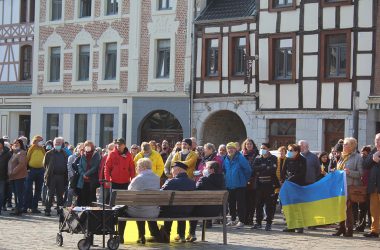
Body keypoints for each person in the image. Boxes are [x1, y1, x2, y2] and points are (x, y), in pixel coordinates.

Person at [104, 138, 135, 243]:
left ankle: (121, 234)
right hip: (115, 183)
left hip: (125, 183)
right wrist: (107, 179)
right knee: (114, 208)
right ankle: (112, 232)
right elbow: (107, 168)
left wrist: (132, 179)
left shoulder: (129, 155)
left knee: (122, 208)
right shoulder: (112, 154)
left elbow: (132, 168)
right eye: (117, 144)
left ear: (124, 145)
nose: (118, 146)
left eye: (120, 144)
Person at [332, 137, 363, 237]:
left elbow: (360, 173)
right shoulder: (341, 156)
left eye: (346, 144)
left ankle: (349, 230)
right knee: (340, 208)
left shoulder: (357, 157)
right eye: (344, 144)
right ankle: (341, 228)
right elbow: (339, 169)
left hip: (350, 186)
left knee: (348, 208)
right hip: (340, 186)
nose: (343, 146)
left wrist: (350, 172)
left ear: (352, 146)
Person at [126, 158, 161, 244]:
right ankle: (147, 235)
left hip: (138, 211)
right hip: (153, 211)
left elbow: (129, 192)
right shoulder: (157, 178)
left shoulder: (138, 179)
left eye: (137, 166)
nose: (136, 168)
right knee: (143, 206)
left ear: (143, 167)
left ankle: (139, 236)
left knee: (136, 207)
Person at [188, 161, 225, 242]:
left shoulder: (203, 179)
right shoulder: (222, 180)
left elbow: (194, 191)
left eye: (206, 167)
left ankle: (191, 233)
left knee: (192, 210)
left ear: (211, 170)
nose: (204, 169)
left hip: (202, 211)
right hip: (216, 212)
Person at [160, 161, 196, 243]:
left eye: (172, 169)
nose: (171, 172)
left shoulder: (171, 182)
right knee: (181, 207)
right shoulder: (192, 183)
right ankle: (181, 235)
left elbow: (160, 194)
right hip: (188, 211)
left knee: (169, 208)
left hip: (171, 211)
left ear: (179, 170)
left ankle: (166, 234)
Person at [251, 143, 279, 231]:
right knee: (258, 204)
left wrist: (262, 168)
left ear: (268, 149)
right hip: (259, 184)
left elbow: (272, 169)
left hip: (269, 184)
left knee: (269, 205)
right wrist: (264, 167)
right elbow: (254, 168)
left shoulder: (273, 158)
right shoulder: (258, 158)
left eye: (264, 148)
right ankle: (258, 222)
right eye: (261, 148)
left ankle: (268, 223)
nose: (262, 149)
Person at [224, 142, 252, 228]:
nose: (230, 150)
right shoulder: (226, 158)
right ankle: (233, 219)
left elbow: (248, 170)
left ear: (235, 149)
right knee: (231, 203)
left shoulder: (240, 157)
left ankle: (241, 220)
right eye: (228, 148)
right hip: (229, 185)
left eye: (232, 148)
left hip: (240, 185)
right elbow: (224, 170)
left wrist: (244, 180)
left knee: (240, 204)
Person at [281, 144, 307, 233]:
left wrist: (292, 178)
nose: (289, 152)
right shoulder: (287, 159)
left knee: (298, 206)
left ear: (297, 151)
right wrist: (284, 179)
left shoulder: (303, 160)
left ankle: (299, 226)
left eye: (291, 150)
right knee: (288, 206)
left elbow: (303, 173)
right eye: (288, 150)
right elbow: (283, 171)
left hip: (298, 185)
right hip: (288, 185)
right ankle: (290, 225)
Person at [44, 137, 68, 216]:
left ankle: (60, 210)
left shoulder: (64, 153)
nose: (57, 144)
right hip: (52, 176)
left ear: (62, 144)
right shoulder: (49, 153)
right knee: (50, 194)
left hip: (61, 176)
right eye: (56, 143)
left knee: (60, 195)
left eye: (59, 143)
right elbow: (45, 164)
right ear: (53, 144)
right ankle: (47, 210)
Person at [363, 134, 380, 238]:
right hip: (374, 187)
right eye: (376, 140)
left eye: (379, 140)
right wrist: (373, 158)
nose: (377, 142)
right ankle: (375, 231)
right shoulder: (373, 151)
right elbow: (365, 164)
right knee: (374, 210)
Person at [24, 135, 46, 214]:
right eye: (39, 140)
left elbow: (45, 158)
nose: (41, 142)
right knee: (28, 189)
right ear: (35, 141)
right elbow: (27, 158)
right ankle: (26, 206)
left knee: (38, 190)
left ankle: (34, 207)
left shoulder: (42, 149)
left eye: (41, 140)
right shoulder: (31, 148)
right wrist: (27, 169)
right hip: (31, 170)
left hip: (40, 170)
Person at [76, 141, 100, 206]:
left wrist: (86, 174)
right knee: (83, 197)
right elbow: (80, 166)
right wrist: (83, 174)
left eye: (89, 146)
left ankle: (91, 213)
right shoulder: (83, 154)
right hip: (83, 180)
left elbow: (95, 167)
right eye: (86, 146)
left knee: (91, 198)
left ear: (92, 146)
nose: (87, 147)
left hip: (92, 180)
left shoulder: (96, 155)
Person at [241, 138, 259, 226]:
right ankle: (244, 218)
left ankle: (251, 218)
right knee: (244, 201)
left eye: (250, 144)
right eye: (247, 144)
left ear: (253, 145)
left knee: (252, 201)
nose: (249, 145)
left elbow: (257, 167)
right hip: (243, 180)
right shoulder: (242, 154)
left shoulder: (257, 154)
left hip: (253, 180)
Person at [8, 139, 28, 216]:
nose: (15, 144)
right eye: (14, 143)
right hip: (13, 177)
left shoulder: (22, 152)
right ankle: (17, 208)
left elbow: (21, 164)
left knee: (18, 194)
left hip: (18, 176)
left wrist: (13, 172)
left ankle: (19, 209)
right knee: (16, 194)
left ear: (21, 144)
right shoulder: (14, 153)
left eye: (17, 143)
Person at [0, 138, 12, 215]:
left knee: (2, 193)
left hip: (3, 177)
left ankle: (1, 207)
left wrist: (8, 176)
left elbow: (10, 165)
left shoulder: (7, 153)